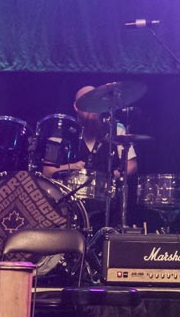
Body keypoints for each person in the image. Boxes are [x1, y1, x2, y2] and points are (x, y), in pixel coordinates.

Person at [43, 86, 139, 223]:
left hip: (106, 206)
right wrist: (71, 167)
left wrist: (112, 176)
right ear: (76, 106)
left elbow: (132, 165)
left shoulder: (116, 129)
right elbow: (47, 171)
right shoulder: (61, 132)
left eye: (96, 102)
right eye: (86, 102)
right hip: (69, 206)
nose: (92, 107)